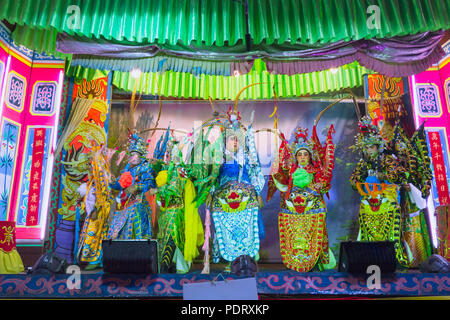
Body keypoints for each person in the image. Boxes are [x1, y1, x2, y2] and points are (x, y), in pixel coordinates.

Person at [267, 125, 336, 272]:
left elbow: (325, 185)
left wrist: (319, 185)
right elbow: (281, 184)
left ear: (310, 156)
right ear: (296, 156)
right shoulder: (290, 172)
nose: (303, 157)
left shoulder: (317, 170)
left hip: (313, 210)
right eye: (300, 154)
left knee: (313, 235)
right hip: (293, 212)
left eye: (305, 154)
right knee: (295, 236)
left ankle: (315, 262)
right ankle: (296, 262)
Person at [350, 116, 409, 266]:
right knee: (368, 233)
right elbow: (354, 179)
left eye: (372, 147)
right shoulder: (363, 163)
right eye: (367, 148)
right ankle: (369, 260)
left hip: (387, 202)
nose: (369, 150)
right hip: (369, 203)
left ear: (378, 146)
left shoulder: (387, 159)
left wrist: (382, 175)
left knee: (390, 233)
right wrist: (358, 181)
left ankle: (393, 259)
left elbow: (399, 175)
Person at [107, 133, 157, 240]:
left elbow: (150, 184)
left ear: (141, 155)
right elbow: (120, 185)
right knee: (118, 229)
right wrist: (112, 182)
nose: (131, 157)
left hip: (139, 204)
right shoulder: (129, 169)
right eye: (131, 154)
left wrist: (137, 187)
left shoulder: (145, 167)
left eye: (134, 154)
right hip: (126, 204)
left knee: (137, 232)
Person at [75, 145, 114, 270]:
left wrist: (96, 209)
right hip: (92, 212)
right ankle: (90, 260)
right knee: (90, 234)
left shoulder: (102, 179)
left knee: (94, 235)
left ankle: (94, 260)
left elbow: (104, 195)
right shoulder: (92, 181)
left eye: (92, 166)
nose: (90, 168)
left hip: (98, 212)